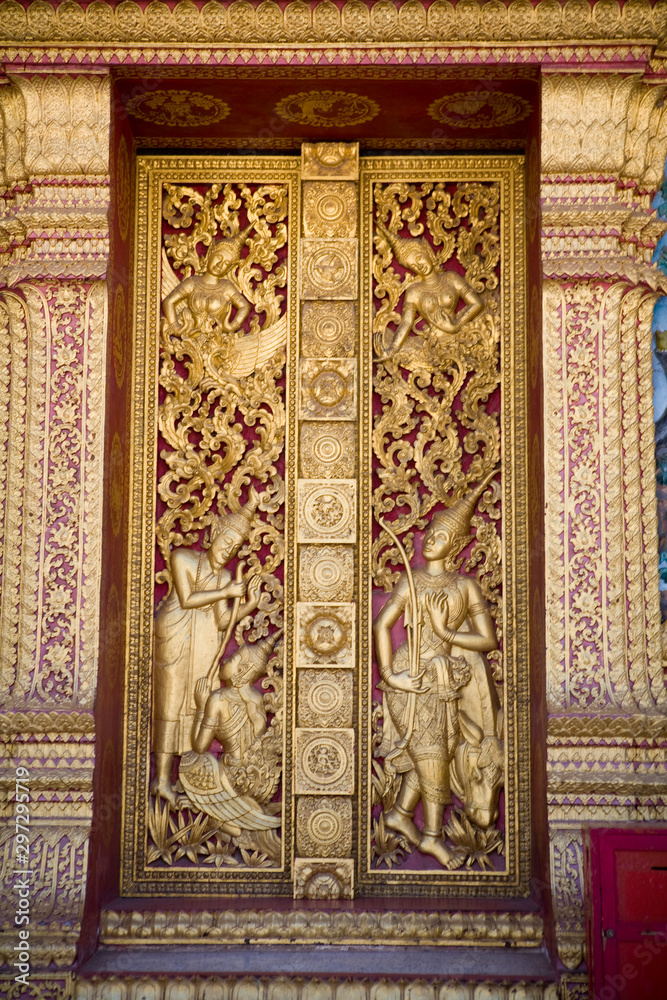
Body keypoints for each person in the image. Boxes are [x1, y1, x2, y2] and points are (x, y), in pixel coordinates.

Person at [373, 476, 501, 868]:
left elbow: (488, 641)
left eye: (442, 536)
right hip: (411, 676)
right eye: (430, 532)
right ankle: (431, 837)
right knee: (431, 756)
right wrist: (391, 675)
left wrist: (447, 633)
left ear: (456, 546)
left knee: (440, 755)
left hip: (446, 678)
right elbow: (382, 625)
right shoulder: (410, 581)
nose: (431, 539)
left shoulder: (464, 587)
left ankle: (398, 814)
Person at [151, 492, 261, 807]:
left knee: (199, 701)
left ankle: (185, 773)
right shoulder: (183, 559)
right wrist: (226, 591)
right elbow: (187, 599)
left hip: (205, 645)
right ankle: (160, 779)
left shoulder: (225, 575)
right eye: (225, 541)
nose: (228, 550)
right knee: (170, 706)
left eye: (235, 547)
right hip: (174, 637)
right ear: (213, 535)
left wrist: (248, 603)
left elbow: (223, 619)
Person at [373, 222, 483, 361]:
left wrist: (456, 326)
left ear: (427, 251)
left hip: (461, 342)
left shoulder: (451, 277)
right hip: (433, 349)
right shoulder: (414, 292)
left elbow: (477, 303)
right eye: (413, 266)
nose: (419, 266)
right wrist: (392, 350)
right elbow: (406, 323)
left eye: (419, 258)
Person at [161, 226, 253, 354]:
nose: (220, 265)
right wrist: (175, 327)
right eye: (219, 258)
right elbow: (169, 302)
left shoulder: (226, 287)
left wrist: (231, 326)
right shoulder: (193, 282)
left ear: (230, 268)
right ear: (210, 254)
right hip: (189, 339)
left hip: (216, 344)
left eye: (226, 263)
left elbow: (245, 306)